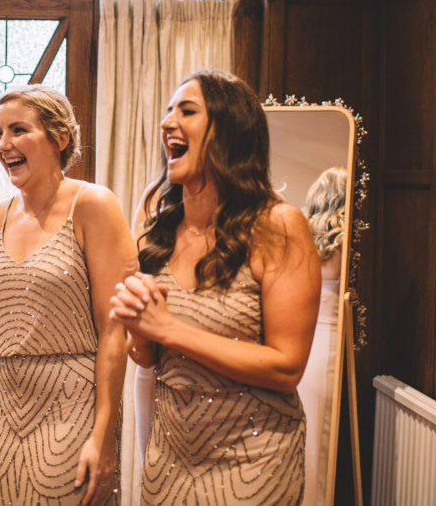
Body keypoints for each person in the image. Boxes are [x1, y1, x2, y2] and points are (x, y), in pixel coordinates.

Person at [110, 69, 321, 505]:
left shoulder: (278, 226)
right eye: (168, 111)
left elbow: (287, 367)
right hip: (169, 456)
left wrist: (168, 328)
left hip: (253, 461)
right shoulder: (154, 222)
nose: (168, 123)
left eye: (187, 111)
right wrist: (139, 327)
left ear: (230, 131)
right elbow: (148, 356)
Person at [0, 85, 136, 505]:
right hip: (4, 410)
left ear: (60, 138)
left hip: (72, 407)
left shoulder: (93, 204)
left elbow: (114, 330)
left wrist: (104, 435)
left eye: (19, 130)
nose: (3, 145)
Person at [297, 166, 349, 505]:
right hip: (329, 339)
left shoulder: (305, 235)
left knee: (307, 428)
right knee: (322, 430)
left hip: (302, 340)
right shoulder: (345, 241)